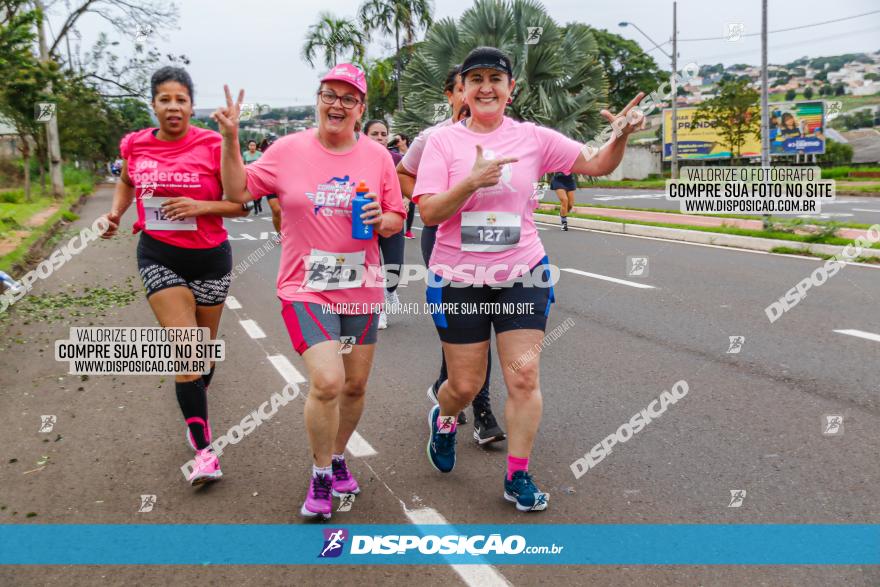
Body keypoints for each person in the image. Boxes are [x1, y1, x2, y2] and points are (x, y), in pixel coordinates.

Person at [413, 47, 645, 512]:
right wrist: (470, 183)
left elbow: (596, 163)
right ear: (464, 88)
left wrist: (619, 135)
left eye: (495, 79)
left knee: (523, 377)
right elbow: (429, 210)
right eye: (475, 78)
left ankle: (516, 475)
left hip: (523, 271)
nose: (485, 87)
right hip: (458, 277)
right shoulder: (443, 143)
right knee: (464, 384)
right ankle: (445, 417)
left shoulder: (534, 139)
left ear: (510, 88)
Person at [214, 63, 405, 520]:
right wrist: (231, 138)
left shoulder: (378, 158)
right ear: (318, 99)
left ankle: (338, 457)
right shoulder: (287, 150)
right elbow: (237, 190)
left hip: (361, 285)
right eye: (329, 94)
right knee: (328, 381)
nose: (337, 104)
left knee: (355, 387)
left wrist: (383, 219)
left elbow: (398, 217)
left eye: (348, 98)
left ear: (360, 108)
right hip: (305, 287)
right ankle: (321, 475)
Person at [99, 66, 249, 486]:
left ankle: (194, 403)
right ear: (153, 104)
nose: (173, 106)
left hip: (210, 258)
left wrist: (200, 207)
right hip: (158, 255)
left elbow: (240, 204)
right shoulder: (136, 146)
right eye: (164, 99)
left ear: (190, 104)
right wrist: (116, 212)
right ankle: (205, 450)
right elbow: (127, 182)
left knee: (202, 354)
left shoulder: (212, 143)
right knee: (185, 349)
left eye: (180, 99)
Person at [397, 64, 502, 442]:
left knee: (481, 325)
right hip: (444, 240)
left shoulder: (503, 132)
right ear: (451, 94)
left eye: (481, 85)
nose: (473, 94)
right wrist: (431, 199)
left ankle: (453, 389)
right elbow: (403, 175)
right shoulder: (433, 138)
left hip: (493, 241)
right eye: (464, 87)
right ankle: (480, 407)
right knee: (467, 324)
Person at [363, 119, 405, 330]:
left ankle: (390, 290)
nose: (380, 138)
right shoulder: (357, 158)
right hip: (367, 219)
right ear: (364, 135)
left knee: (394, 265)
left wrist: (406, 198)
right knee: (373, 266)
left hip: (392, 218)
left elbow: (409, 180)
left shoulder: (397, 158)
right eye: (375, 134)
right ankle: (379, 311)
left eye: (383, 134)